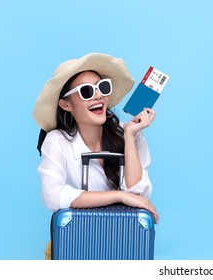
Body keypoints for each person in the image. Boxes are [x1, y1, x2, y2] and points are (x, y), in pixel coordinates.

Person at [32, 53, 159, 259]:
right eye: (86, 91)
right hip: (72, 245)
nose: (98, 95)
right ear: (66, 105)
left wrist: (129, 136)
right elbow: (52, 196)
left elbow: (137, 195)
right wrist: (119, 196)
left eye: (103, 87)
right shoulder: (57, 141)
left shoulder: (129, 133)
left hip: (121, 244)